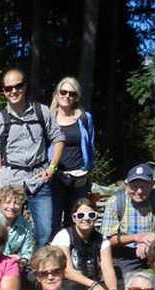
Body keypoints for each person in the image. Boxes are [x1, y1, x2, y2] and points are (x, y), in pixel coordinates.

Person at [0, 67, 65, 248]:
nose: (14, 91)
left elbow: (59, 139)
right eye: (8, 88)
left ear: (25, 86)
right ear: (4, 92)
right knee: (6, 229)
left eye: (18, 86)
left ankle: (36, 270)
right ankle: (8, 269)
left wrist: (52, 167)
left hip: (39, 177)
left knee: (45, 230)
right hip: (11, 179)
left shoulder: (42, 112)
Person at [100, 163, 155, 283]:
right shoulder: (115, 201)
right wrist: (137, 238)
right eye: (134, 186)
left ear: (152, 185)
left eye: (143, 186)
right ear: (126, 185)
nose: (139, 191)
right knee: (129, 287)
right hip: (126, 252)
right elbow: (107, 239)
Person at [51, 198, 120, 290]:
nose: (86, 219)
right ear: (74, 218)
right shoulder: (64, 236)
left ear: (96, 217)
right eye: (80, 215)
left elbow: (107, 269)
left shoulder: (102, 240)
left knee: (121, 288)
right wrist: (94, 285)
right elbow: (67, 271)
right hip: (70, 281)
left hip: (93, 281)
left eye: (91, 215)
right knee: (72, 289)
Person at [49, 77, 95, 229]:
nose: (67, 96)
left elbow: (91, 146)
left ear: (76, 97)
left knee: (75, 221)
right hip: (55, 176)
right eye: (63, 92)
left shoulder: (84, 118)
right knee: (52, 221)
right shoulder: (48, 119)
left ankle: (73, 252)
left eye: (71, 93)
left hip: (79, 179)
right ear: (57, 94)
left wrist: (88, 169)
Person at [0, 184, 35, 260]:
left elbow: (27, 252)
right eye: (8, 202)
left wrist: (22, 260)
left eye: (16, 203)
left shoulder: (25, 226)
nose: (12, 207)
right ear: (0, 203)